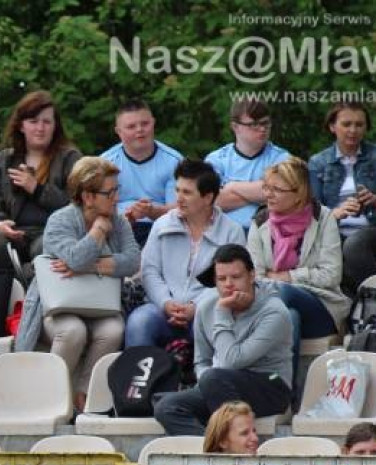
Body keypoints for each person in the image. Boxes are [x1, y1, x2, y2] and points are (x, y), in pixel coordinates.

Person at [154, 245, 293, 436]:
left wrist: (222, 312)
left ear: (251, 276)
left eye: (236, 277)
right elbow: (202, 360)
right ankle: (216, 452)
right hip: (218, 385)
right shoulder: (206, 306)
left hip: (270, 385)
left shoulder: (274, 311)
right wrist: (205, 385)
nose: (228, 284)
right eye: (221, 278)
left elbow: (232, 361)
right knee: (166, 407)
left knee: (214, 377)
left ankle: (235, 446)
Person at [39, 156, 140, 412]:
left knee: (113, 330)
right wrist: (97, 232)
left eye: (117, 190)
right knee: (73, 331)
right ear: (87, 196)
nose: (116, 198)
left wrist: (91, 266)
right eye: (110, 192)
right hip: (61, 305)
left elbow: (132, 261)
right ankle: (48, 396)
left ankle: (86, 394)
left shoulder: (119, 221)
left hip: (101, 304)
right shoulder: (59, 221)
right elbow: (74, 257)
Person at [127, 159, 246, 349]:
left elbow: (230, 282)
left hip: (208, 309)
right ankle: (140, 379)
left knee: (214, 325)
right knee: (139, 322)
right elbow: (149, 271)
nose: (179, 199)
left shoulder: (232, 232)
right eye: (178, 190)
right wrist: (166, 303)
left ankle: (205, 378)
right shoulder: (162, 225)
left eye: (187, 192)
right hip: (161, 308)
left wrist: (195, 307)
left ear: (208, 198)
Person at [247, 157, 348, 379]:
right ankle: (283, 393)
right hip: (275, 310)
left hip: (321, 306)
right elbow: (255, 277)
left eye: (277, 189)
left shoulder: (323, 218)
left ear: (298, 193)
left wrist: (288, 277)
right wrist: (284, 281)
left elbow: (331, 275)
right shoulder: (259, 222)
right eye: (266, 187)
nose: (268, 194)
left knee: (282, 292)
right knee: (288, 317)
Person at [0, 90, 81, 276]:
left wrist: (37, 188)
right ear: (21, 126)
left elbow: (77, 205)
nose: (40, 128)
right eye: (33, 122)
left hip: (51, 232)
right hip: (12, 232)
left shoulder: (70, 159)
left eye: (46, 122)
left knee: (45, 248)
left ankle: (37, 303)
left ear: (55, 126)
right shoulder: (1, 161)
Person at [307, 102, 376, 296]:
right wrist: (336, 212)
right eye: (346, 124)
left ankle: (369, 302)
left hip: (370, 229)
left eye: (359, 124)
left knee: (355, 244)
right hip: (334, 229)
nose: (353, 130)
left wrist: (374, 200)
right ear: (332, 127)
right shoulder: (318, 162)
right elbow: (311, 211)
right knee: (334, 246)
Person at [101, 99, 183, 246]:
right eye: (131, 126)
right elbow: (95, 207)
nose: (139, 130)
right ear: (118, 132)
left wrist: (151, 211)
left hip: (160, 231)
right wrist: (124, 217)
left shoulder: (175, 162)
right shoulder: (104, 163)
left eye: (145, 124)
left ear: (153, 123)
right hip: (115, 229)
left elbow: (181, 210)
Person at [205, 99, 290, 232]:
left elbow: (282, 195)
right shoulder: (216, 160)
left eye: (265, 123)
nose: (262, 129)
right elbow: (210, 202)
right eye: (254, 124)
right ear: (235, 127)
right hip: (224, 236)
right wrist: (261, 193)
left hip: (269, 234)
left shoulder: (282, 158)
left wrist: (232, 187)